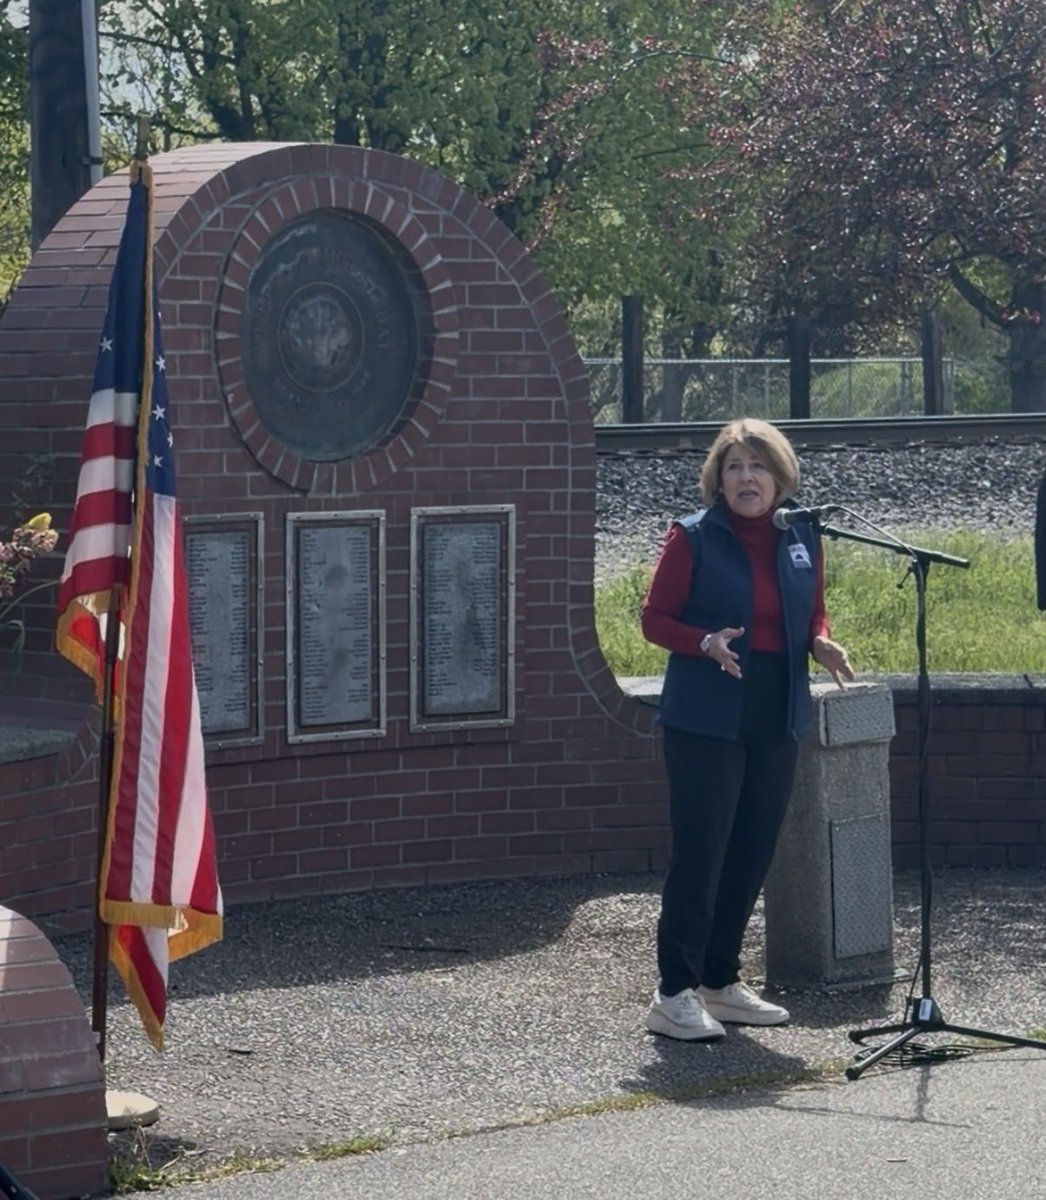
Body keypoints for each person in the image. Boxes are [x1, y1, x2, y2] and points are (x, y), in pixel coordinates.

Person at [641, 417, 854, 1041]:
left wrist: (819, 642)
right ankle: (674, 992)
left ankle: (719, 980)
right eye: (734, 467)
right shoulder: (694, 537)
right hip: (707, 713)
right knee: (702, 852)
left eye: (758, 466)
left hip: (774, 707)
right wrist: (702, 641)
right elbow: (654, 619)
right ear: (719, 479)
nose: (746, 478)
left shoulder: (801, 534)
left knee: (752, 847)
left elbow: (809, 607)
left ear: (781, 476)